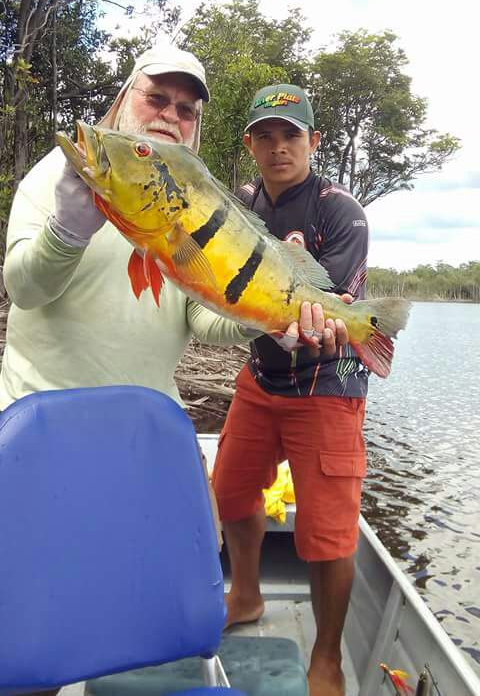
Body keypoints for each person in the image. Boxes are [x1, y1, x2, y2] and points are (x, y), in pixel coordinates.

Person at [0, 53, 345, 696]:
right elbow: (22, 288)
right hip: (43, 443)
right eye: (156, 98)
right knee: (36, 622)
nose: (170, 116)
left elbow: (203, 316)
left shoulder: (190, 198)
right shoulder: (57, 174)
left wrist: (269, 319)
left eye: (187, 109)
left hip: (144, 440)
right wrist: (68, 231)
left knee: (148, 608)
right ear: (124, 98)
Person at [212, 83, 370, 696]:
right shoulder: (242, 203)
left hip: (330, 382)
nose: (279, 147)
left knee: (327, 533)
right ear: (250, 144)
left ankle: (327, 658)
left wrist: (316, 317)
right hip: (261, 376)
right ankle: (246, 594)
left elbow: (336, 306)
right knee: (230, 490)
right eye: (266, 136)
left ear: (314, 141)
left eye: (291, 135)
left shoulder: (340, 210)